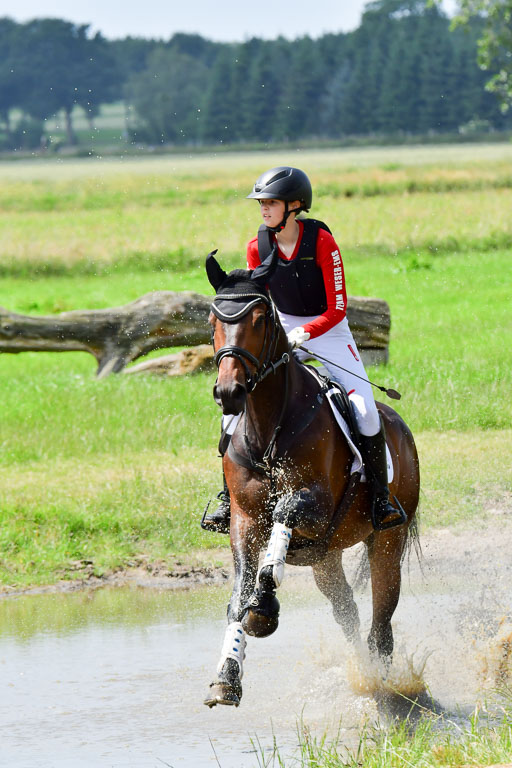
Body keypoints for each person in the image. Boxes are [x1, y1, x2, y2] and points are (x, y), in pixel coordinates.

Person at [203, 166, 405, 534]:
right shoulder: (256, 246)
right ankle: (226, 499)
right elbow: (257, 300)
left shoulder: (322, 243)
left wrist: (307, 332)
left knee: (364, 409)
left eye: (271, 203)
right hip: (280, 329)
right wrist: (277, 333)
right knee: (234, 410)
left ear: (295, 205)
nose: (264, 209)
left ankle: (381, 497)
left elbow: (337, 307)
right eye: (261, 203)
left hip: (328, 329)